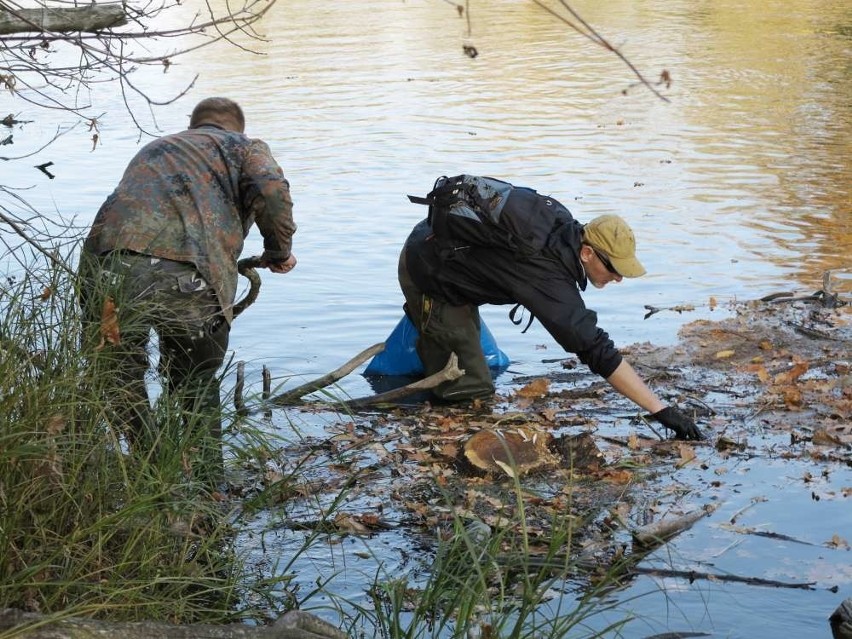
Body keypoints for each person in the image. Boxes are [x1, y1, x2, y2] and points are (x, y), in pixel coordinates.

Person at [78, 97, 298, 483]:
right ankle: (207, 485)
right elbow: (272, 189)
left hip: (108, 269)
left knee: (118, 377)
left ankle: (152, 470)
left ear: (193, 124)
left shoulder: (156, 148)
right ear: (236, 127)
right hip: (189, 275)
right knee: (194, 380)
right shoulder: (243, 146)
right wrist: (279, 251)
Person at [398, 176, 703, 440]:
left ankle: (433, 343)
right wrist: (661, 410)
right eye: (613, 268)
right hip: (428, 270)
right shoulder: (546, 274)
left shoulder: (563, 225)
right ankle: (448, 450)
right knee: (471, 391)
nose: (619, 278)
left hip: (438, 245)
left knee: (476, 360)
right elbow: (594, 348)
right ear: (587, 253)